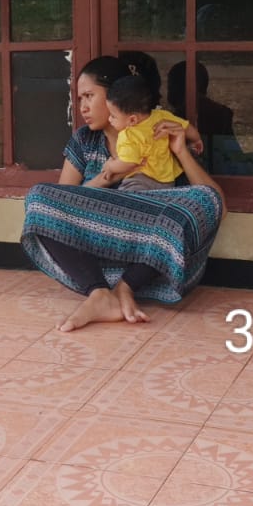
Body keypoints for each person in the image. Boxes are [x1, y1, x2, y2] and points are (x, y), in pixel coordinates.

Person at [21, 53, 224, 332]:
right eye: (79, 99)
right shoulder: (85, 140)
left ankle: (125, 287)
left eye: (89, 96)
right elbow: (63, 202)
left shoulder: (159, 132)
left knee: (202, 200)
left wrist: (180, 151)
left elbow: (216, 203)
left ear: (116, 95)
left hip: (150, 263)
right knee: (39, 199)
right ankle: (99, 293)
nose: (83, 107)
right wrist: (106, 179)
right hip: (94, 263)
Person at [101, 72, 190, 191]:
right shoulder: (161, 116)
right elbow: (185, 127)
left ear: (132, 120)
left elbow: (128, 163)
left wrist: (110, 166)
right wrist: (196, 140)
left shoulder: (128, 134)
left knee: (123, 197)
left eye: (113, 116)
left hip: (141, 181)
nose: (109, 119)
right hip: (168, 181)